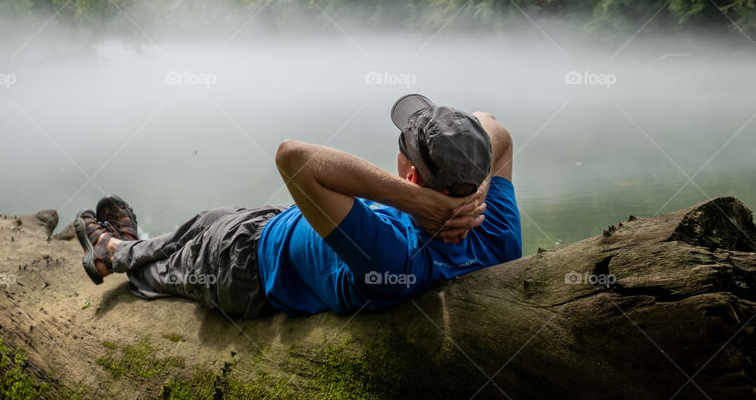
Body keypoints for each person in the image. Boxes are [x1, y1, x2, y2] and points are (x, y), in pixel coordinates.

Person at [74, 94, 520, 318]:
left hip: (246, 268)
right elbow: (493, 125)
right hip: (277, 228)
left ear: (410, 176)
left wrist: (412, 201)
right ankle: (127, 244)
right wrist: (475, 189)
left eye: (401, 145)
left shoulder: (397, 255)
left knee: (173, 262)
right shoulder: (496, 231)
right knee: (200, 224)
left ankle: (115, 253)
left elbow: (293, 157)